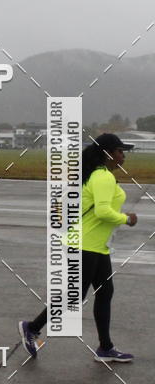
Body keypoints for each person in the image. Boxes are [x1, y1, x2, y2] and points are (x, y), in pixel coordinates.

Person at [19, 133, 137, 362]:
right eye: (120, 151)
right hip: (84, 245)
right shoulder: (103, 177)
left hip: (96, 246)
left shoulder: (100, 175)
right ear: (107, 154)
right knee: (76, 296)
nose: (123, 156)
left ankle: (105, 347)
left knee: (104, 292)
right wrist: (127, 219)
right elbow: (103, 212)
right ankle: (31, 327)